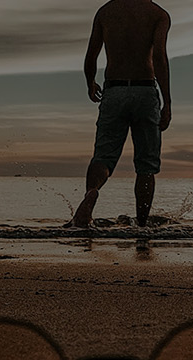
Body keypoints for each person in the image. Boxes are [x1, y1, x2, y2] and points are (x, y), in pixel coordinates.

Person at [71, 0, 173, 228]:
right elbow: (159, 58)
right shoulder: (158, 14)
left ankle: (92, 192)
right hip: (145, 90)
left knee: (103, 157)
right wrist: (167, 101)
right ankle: (143, 225)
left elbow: (91, 56)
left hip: (114, 90)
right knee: (146, 164)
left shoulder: (106, 12)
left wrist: (90, 83)